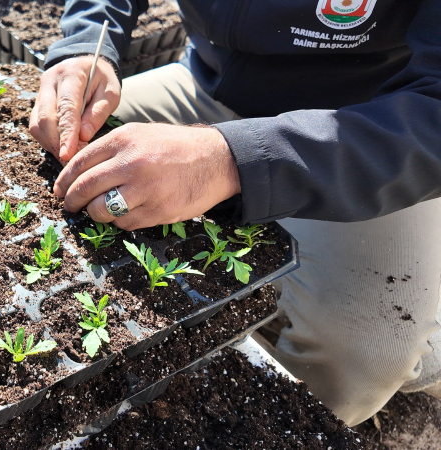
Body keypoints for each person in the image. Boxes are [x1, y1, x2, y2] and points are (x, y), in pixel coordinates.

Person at [29, 0, 441, 426]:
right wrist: (85, 45)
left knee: (370, 355)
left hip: (362, 127)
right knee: (54, 154)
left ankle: (275, 426)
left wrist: (230, 159)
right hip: (206, 83)